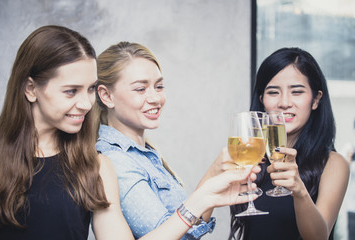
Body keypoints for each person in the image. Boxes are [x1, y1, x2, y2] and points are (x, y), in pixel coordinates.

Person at [0, 27, 259, 240]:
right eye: (70, 91)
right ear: (31, 89)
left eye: (89, 90)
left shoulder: (95, 166)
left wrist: (202, 198)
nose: (86, 104)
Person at [94, 41, 252, 240]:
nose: (155, 98)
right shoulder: (116, 161)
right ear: (106, 96)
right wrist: (203, 199)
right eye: (140, 89)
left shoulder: (143, 154)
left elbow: (184, 226)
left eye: (159, 86)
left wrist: (215, 170)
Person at [229, 47, 350, 240]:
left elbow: (319, 237)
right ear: (262, 100)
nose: (284, 102)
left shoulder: (334, 164)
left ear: (316, 99)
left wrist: (299, 191)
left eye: (296, 91)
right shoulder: (251, 158)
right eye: (273, 92)